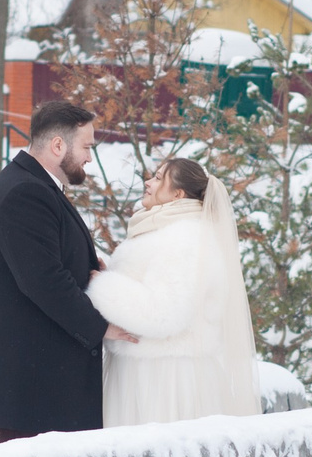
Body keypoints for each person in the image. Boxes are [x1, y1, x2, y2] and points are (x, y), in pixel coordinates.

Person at [0, 100, 138, 442]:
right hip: (21, 387)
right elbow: (44, 281)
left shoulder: (33, 186)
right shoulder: (25, 193)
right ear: (57, 145)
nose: (88, 158)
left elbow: (47, 262)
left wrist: (93, 270)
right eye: (86, 147)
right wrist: (101, 327)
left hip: (27, 389)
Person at [86, 156, 261, 425]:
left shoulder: (186, 238)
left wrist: (102, 287)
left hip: (166, 380)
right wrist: (111, 278)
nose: (148, 182)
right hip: (144, 373)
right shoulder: (162, 231)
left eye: (158, 178)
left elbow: (162, 313)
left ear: (177, 194)